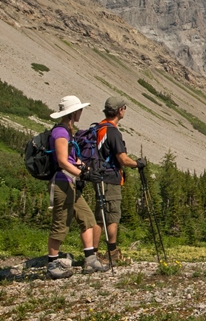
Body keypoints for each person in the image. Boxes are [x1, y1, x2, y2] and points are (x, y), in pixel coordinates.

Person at [47, 95, 109, 279]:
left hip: (70, 182)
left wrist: (89, 170)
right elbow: (63, 161)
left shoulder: (68, 131)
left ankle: (90, 259)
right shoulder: (61, 133)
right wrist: (83, 174)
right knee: (60, 223)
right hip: (62, 182)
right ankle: (52, 264)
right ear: (72, 112)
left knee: (87, 218)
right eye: (79, 110)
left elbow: (73, 159)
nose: (81, 112)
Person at [92, 96, 146, 263]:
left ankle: (92, 253)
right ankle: (112, 252)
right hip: (110, 179)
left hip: (99, 177)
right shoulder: (113, 132)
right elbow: (123, 159)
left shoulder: (99, 128)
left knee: (100, 216)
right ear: (119, 110)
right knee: (112, 216)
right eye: (124, 108)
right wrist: (137, 164)